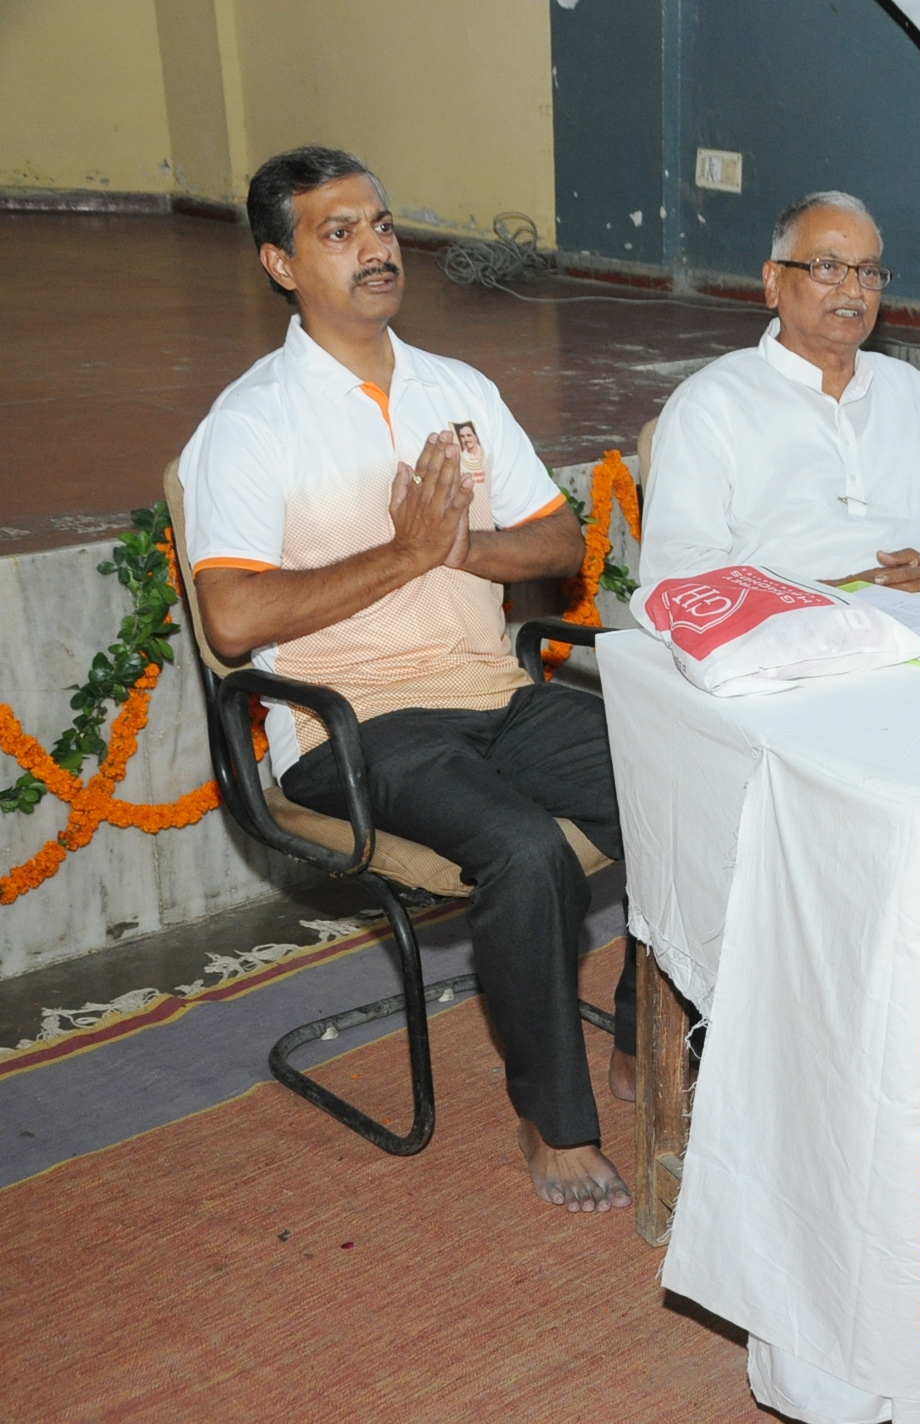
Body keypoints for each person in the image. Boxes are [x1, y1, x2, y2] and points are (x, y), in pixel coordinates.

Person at [178, 147, 635, 1213]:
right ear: (281, 264)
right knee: (522, 847)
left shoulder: (457, 389)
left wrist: (457, 548)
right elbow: (232, 618)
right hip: (351, 725)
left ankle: (652, 1024)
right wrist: (404, 554)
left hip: (491, 690)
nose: (375, 248)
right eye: (337, 233)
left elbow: (557, 540)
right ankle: (554, 1118)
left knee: (693, 773)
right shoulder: (250, 423)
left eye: (380, 224)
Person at [638, 191, 920, 590]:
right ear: (773, 282)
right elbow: (680, 576)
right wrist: (837, 594)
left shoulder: (907, 390)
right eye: (828, 267)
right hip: (788, 625)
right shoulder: (711, 404)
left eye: (868, 272)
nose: (853, 290)